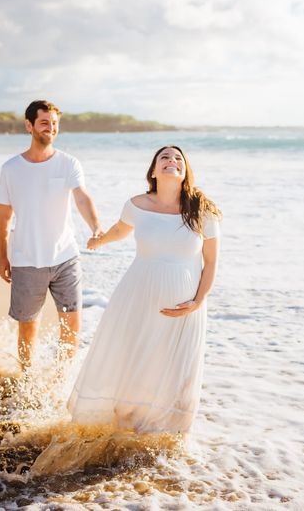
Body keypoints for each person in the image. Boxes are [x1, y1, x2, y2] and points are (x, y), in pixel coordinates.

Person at [67, 145, 221, 434]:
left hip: (185, 306)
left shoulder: (202, 211)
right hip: (138, 296)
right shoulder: (137, 205)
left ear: (185, 171)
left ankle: (167, 437)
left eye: (178, 158)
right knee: (132, 357)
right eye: (164, 157)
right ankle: (125, 425)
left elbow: (211, 262)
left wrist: (198, 301)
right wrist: (99, 240)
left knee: (177, 370)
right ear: (153, 170)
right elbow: (119, 230)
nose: (171, 161)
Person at [0, 99, 101, 369]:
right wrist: (2, 256)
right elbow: (4, 216)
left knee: (72, 323)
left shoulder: (68, 164)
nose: (50, 128)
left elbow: (82, 198)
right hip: (26, 260)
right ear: (29, 126)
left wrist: (96, 227)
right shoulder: (11, 168)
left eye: (54, 124)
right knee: (29, 327)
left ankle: (61, 381)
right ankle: (27, 379)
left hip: (66, 257)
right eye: (44, 122)